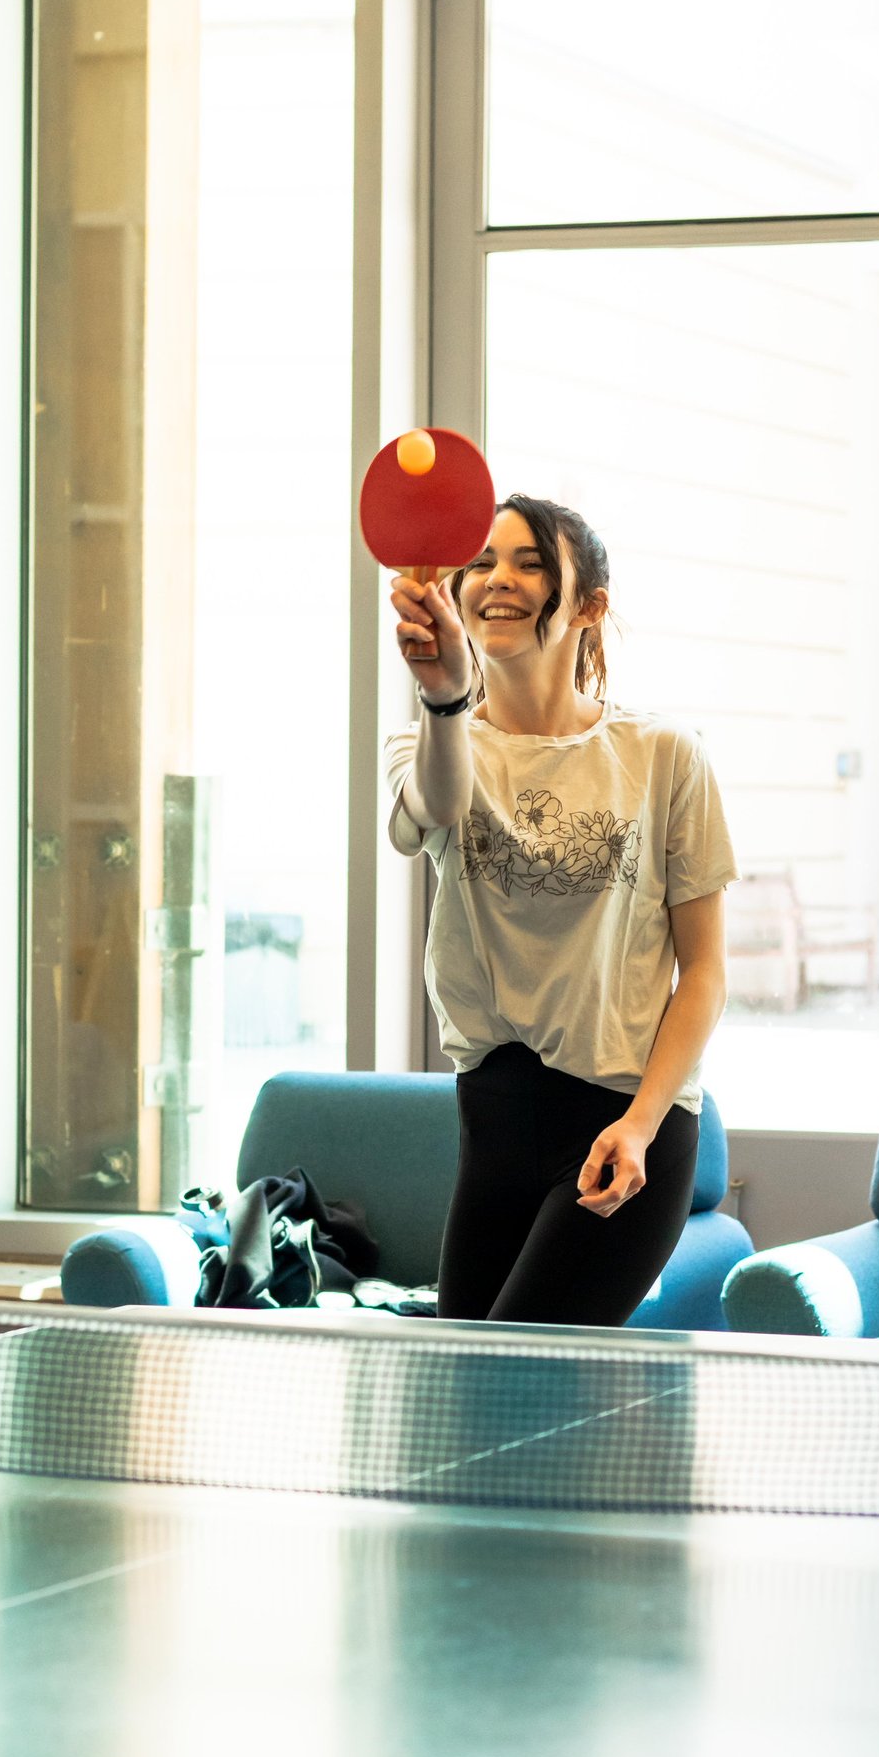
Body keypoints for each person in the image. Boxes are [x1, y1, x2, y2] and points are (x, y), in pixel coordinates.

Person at [384, 492, 736, 1327]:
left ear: (589, 605)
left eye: (529, 561)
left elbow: (707, 971)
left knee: (518, 1391)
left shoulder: (664, 757)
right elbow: (430, 807)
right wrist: (443, 700)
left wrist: (642, 1126)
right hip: (494, 1119)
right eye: (482, 563)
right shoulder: (429, 744)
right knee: (469, 1394)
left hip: (625, 1127)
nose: (497, 579)